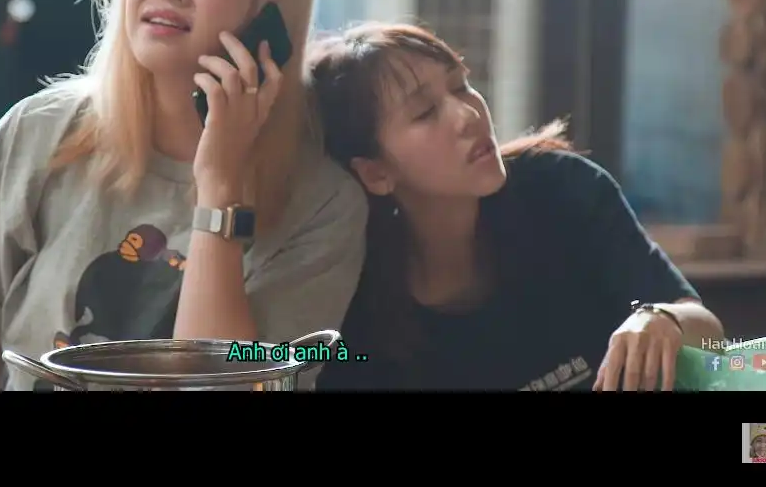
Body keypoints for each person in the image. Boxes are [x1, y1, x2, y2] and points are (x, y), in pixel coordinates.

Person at [0, 0, 368, 390]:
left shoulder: (323, 206)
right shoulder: (37, 133)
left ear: (269, 23)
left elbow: (222, 385)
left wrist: (220, 188)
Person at [308, 22, 724, 392]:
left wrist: (665, 320)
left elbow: (712, 337)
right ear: (376, 172)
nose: (468, 114)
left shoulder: (564, 188)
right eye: (426, 112)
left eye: (460, 85)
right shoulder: (356, 313)